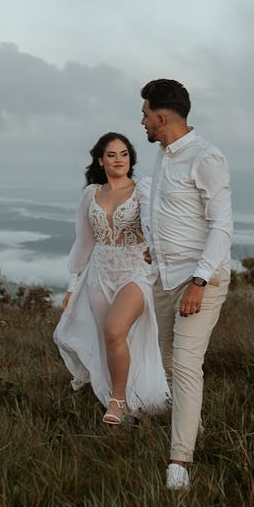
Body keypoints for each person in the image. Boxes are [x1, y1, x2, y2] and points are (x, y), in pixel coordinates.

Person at [140, 79, 233, 490]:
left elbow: (221, 226)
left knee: (186, 364)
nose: (141, 121)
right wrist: (154, 248)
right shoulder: (162, 155)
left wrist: (198, 280)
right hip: (165, 276)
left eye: (144, 114)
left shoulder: (206, 157)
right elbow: (172, 214)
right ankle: (191, 422)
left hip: (201, 280)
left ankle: (179, 464)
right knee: (170, 364)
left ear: (161, 118)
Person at [53, 132, 170, 425]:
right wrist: (72, 284)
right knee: (109, 339)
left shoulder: (143, 188)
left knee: (116, 329)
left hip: (134, 270)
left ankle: (117, 403)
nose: (119, 160)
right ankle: (119, 396)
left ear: (131, 159)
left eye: (124, 154)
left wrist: (155, 257)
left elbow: (155, 226)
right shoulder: (91, 194)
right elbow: (83, 242)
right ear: (100, 159)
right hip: (98, 272)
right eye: (112, 155)